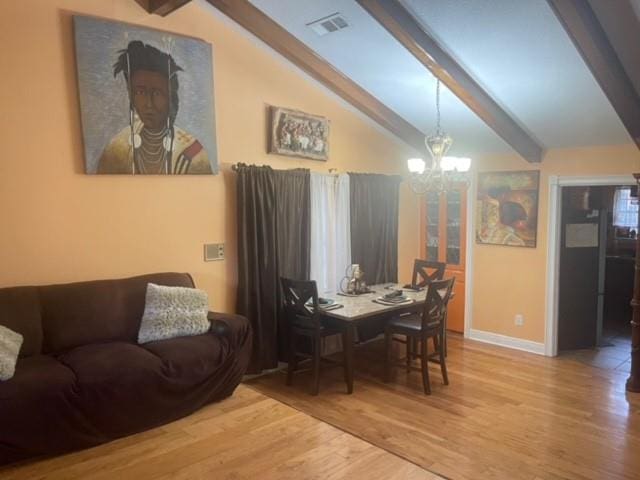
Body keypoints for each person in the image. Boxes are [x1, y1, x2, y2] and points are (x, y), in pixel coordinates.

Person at [98, 40, 212, 174]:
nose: (148, 103)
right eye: (140, 92)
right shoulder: (116, 149)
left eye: (157, 93)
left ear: (170, 96)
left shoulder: (193, 154)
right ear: (131, 94)